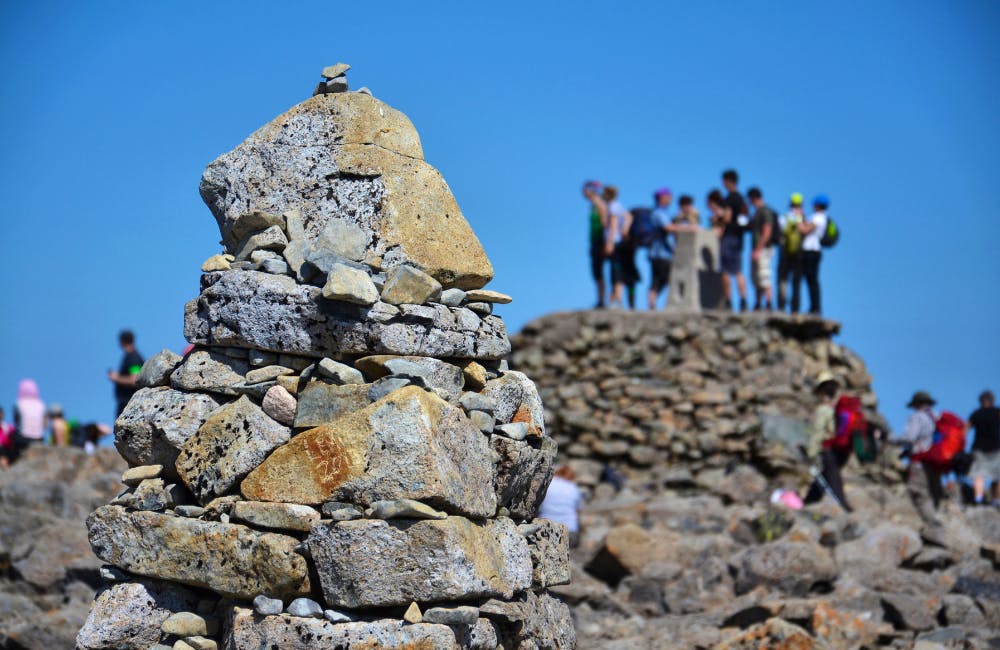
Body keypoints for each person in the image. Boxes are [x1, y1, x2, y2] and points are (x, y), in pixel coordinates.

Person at [802, 372, 852, 511]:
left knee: (832, 480)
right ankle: (808, 502)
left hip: (828, 450)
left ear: (822, 392)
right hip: (843, 450)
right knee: (825, 477)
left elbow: (817, 432)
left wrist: (810, 453)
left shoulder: (823, 410)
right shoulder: (838, 408)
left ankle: (843, 507)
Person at [901, 390, 945, 512]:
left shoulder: (917, 416)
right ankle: (938, 518)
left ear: (917, 404)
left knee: (918, 493)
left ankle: (932, 525)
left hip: (920, 461)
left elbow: (909, 438)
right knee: (934, 494)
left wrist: (887, 437)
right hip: (937, 461)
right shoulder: (938, 417)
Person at [603, 186, 637, 309]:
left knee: (616, 273)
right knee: (618, 272)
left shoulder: (612, 207)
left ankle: (616, 300)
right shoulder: (619, 205)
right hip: (621, 243)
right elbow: (629, 217)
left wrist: (609, 243)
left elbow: (613, 225)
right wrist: (625, 230)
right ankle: (615, 299)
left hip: (615, 243)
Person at [794, 195, 829, 315]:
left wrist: (798, 218)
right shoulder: (821, 217)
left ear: (817, 205)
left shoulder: (818, 217)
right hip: (813, 251)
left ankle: (815, 307)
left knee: (812, 280)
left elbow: (804, 230)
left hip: (811, 251)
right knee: (811, 280)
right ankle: (814, 307)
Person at [968, 390, 1000, 506]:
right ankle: (996, 501)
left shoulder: (976, 414)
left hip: (978, 448)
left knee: (978, 475)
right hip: (995, 448)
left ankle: (978, 499)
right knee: (996, 476)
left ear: (981, 401)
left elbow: (964, 431)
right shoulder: (997, 412)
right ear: (992, 400)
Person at [747, 187, 777, 310]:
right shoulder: (758, 212)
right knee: (757, 277)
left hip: (764, 249)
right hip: (759, 248)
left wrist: (758, 249)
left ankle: (769, 302)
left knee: (764, 275)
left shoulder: (765, 211)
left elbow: (767, 232)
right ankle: (758, 303)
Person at [539, 465, 583, 547]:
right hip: (569, 529)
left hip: (546, 526)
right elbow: (578, 511)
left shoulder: (548, 483)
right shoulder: (573, 487)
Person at [646, 188, 676, 309]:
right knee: (662, 279)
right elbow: (668, 228)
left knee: (658, 280)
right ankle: (653, 304)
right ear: (662, 198)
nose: (670, 200)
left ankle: (652, 304)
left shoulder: (660, 212)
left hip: (658, 253)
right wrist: (688, 228)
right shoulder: (659, 213)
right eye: (668, 197)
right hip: (660, 253)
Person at [583, 181, 609, 308]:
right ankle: (600, 300)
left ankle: (602, 300)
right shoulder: (593, 205)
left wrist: (606, 242)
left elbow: (604, 224)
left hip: (600, 242)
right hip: (595, 242)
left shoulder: (599, 204)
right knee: (597, 273)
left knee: (599, 272)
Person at [776, 193, 805, 311]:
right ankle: (795, 306)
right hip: (799, 252)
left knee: (783, 278)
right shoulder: (803, 218)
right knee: (796, 281)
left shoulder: (785, 217)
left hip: (785, 252)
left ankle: (781, 304)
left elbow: (780, 233)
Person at [109, 329, 144, 416]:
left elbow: (134, 379)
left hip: (129, 404)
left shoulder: (133, 358)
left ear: (122, 341)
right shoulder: (131, 356)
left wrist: (116, 378)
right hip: (127, 403)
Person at [13, 378, 46, 460]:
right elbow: (44, 424)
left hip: (23, 438)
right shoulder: (41, 405)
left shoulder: (19, 403)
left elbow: (16, 422)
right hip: (39, 439)